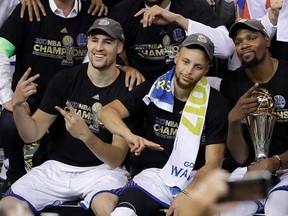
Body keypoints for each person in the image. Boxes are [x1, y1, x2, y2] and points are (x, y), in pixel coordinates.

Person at [0, 17, 135, 216]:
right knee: (8, 207)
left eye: (107, 42)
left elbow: (115, 158)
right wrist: (19, 105)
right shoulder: (65, 79)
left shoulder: (128, 87)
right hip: (56, 168)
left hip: (102, 171)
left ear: (119, 47)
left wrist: (87, 136)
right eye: (94, 40)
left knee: (106, 208)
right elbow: (32, 134)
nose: (99, 47)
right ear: (87, 42)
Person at [97, 33, 230, 216]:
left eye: (197, 66)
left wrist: (187, 192)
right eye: (185, 61)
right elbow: (106, 112)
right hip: (155, 176)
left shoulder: (216, 103)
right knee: (121, 213)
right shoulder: (153, 89)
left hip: (195, 177)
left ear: (206, 69)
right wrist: (129, 135)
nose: (188, 70)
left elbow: (213, 162)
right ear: (176, 57)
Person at [0, 0, 103, 192]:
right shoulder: (28, 8)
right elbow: (1, 50)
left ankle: (49, 157)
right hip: (32, 97)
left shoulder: (93, 11)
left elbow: (96, 60)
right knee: (9, 122)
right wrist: (8, 98)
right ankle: (14, 172)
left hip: (69, 98)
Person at [220, 19, 288, 216]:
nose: (244, 45)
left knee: (276, 209)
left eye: (251, 38)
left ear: (267, 40)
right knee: (230, 210)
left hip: (285, 168)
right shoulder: (231, 84)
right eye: (239, 42)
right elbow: (240, 156)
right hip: (252, 169)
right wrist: (233, 120)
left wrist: (274, 162)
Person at [107, 0, 235, 80]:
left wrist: (179, 20)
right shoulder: (123, 10)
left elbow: (226, 48)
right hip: (140, 86)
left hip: (188, 85)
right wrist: (121, 68)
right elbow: (97, 51)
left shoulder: (194, 6)